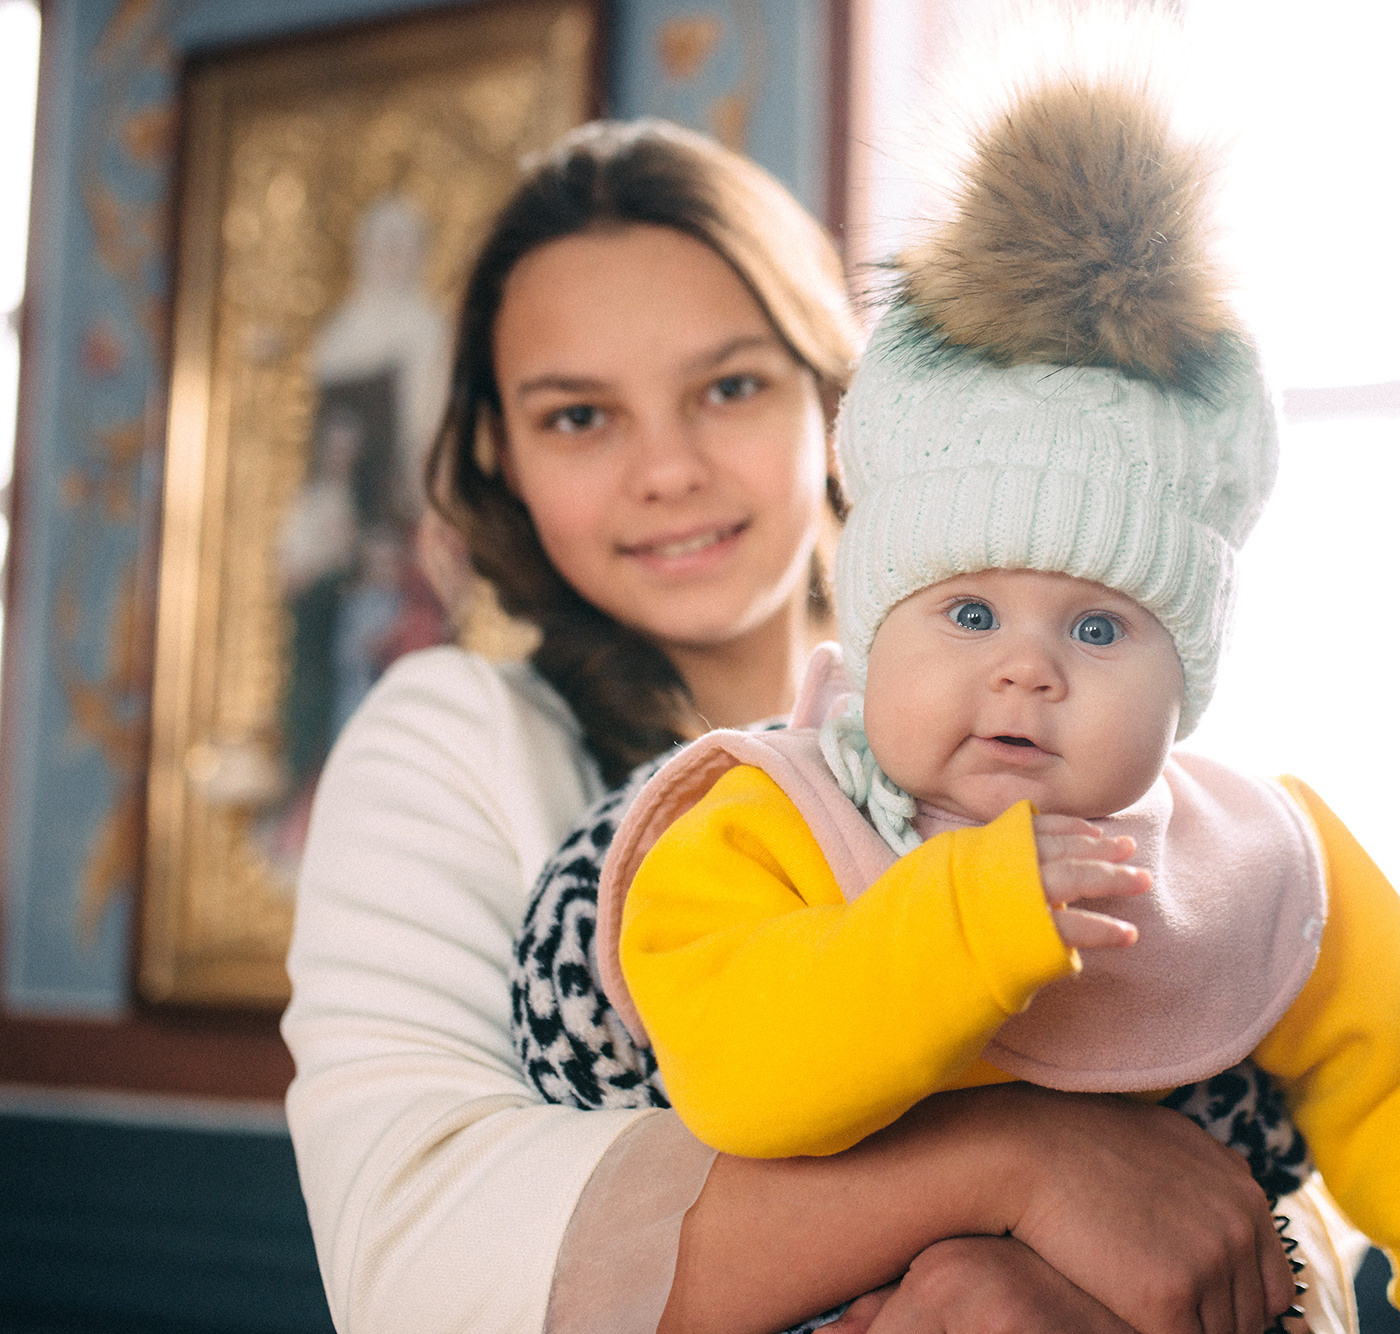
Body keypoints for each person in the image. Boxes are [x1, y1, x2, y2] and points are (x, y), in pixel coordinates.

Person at [514, 30, 1400, 1334]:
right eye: (966, 608)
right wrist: (972, 919)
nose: (1026, 667)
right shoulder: (763, 815)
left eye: (1102, 630)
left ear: (1193, 676)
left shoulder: (1258, 858)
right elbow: (739, 1071)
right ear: (875, 621)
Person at [282, 116, 1302, 1334]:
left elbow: (1271, 1214)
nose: (667, 469)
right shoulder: (454, 736)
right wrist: (1020, 1156)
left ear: (835, 396)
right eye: (577, 416)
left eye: (728, 386)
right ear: (497, 450)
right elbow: (412, 1264)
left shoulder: (1062, 706)